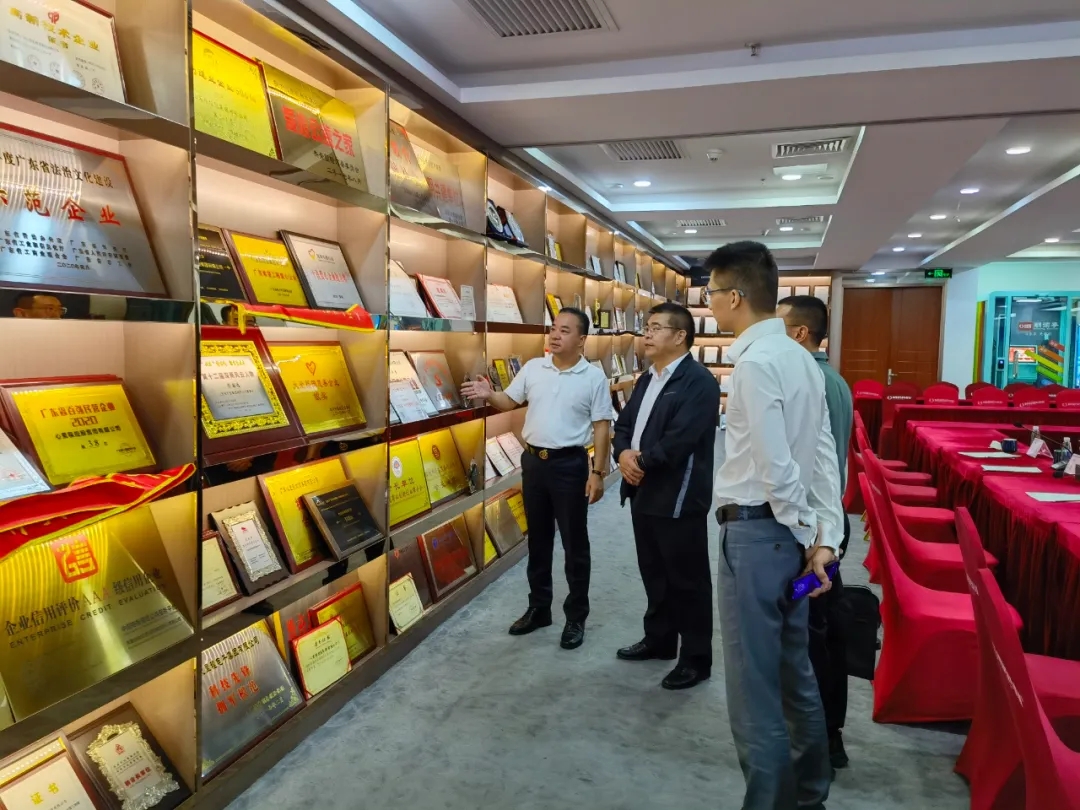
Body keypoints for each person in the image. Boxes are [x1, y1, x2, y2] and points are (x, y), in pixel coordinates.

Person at [707, 241, 844, 810]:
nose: (710, 303)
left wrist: (801, 529)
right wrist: (824, 537)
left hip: (758, 536)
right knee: (794, 674)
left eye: (713, 292)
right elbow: (823, 457)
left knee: (753, 690)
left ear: (735, 297)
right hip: (790, 539)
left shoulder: (756, 363)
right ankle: (810, 794)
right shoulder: (799, 358)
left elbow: (776, 467)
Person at [462, 309, 611, 650]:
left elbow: (602, 426)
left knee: (574, 544)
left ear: (582, 339)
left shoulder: (593, 378)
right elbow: (509, 401)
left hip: (570, 465)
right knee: (538, 541)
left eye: (565, 331)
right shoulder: (533, 368)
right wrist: (489, 394)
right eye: (553, 328)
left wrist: (598, 472)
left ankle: (576, 617)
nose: (555, 335)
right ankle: (539, 608)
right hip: (534, 463)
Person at [612, 302, 720, 690]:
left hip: (678, 495)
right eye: (647, 326)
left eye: (656, 327)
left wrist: (639, 461)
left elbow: (680, 441)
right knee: (654, 571)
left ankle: (696, 659)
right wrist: (622, 455)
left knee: (687, 580)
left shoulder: (699, 382)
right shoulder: (648, 378)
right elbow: (624, 424)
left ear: (680, 336)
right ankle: (659, 639)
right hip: (641, 489)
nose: (647, 333)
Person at [777, 294, 855, 771]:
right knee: (817, 627)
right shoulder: (833, 379)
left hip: (815, 537)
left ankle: (823, 735)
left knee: (812, 630)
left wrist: (820, 539)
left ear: (799, 333)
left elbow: (818, 468)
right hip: (825, 529)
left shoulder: (809, 380)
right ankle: (824, 732)